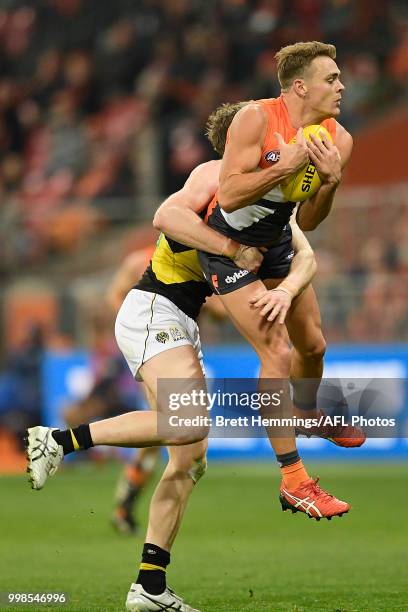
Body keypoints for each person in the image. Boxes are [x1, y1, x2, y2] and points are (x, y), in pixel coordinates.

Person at [197, 41, 356, 520]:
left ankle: (305, 414)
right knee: (277, 352)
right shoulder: (256, 119)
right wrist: (286, 164)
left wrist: (329, 182)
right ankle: (294, 480)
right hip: (229, 246)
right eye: (332, 79)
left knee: (313, 347)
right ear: (300, 86)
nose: (342, 86)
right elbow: (226, 194)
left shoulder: (338, 139)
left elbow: (308, 221)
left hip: (277, 245)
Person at [64, 247, 161, 535]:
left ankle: (125, 502)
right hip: (153, 349)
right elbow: (114, 295)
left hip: (177, 348)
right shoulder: (140, 260)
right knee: (178, 437)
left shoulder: (188, 253)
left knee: (165, 435)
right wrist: (138, 324)